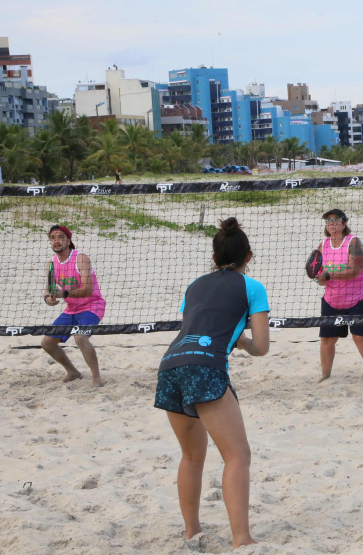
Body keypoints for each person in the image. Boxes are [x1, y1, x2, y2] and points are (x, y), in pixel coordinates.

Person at [155, 217, 269, 550]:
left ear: (215, 257)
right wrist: (243, 342)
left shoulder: (195, 285)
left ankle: (192, 532)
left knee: (191, 457)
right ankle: (241, 538)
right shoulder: (252, 287)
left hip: (170, 365)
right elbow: (261, 347)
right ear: (249, 256)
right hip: (204, 367)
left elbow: (194, 324)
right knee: (237, 456)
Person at [315, 209, 363, 383]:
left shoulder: (353, 242)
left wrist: (328, 276)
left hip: (362, 297)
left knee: (360, 337)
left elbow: (354, 271)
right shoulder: (323, 245)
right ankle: (325, 376)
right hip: (333, 299)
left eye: (336, 221)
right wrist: (319, 279)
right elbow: (317, 270)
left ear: (344, 224)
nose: (332, 224)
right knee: (327, 339)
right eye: (328, 221)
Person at [41, 225, 106, 387]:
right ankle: (73, 372)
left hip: (92, 305)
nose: (56, 241)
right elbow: (48, 290)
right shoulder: (51, 263)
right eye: (53, 238)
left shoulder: (80, 258)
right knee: (47, 342)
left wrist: (64, 294)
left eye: (60, 237)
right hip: (71, 309)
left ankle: (96, 377)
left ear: (69, 241)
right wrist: (48, 298)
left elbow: (87, 289)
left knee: (80, 337)